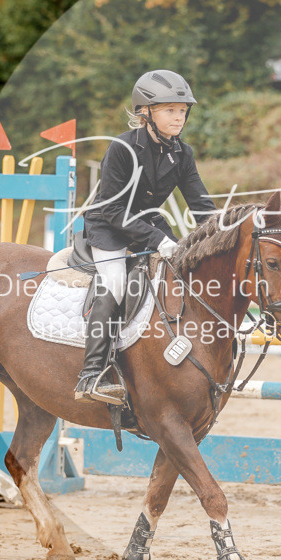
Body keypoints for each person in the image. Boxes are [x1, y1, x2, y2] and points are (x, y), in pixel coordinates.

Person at [76, 69, 216, 403]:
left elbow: (200, 204)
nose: (179, 117)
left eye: (183, 111)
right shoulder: (122, 149)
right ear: (146, 113)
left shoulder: (183, 153)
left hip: (149, 225)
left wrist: (221, 233)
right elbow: (112, 209)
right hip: (108, 227)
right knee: (115, 283)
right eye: (170, 110)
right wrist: (156, 239)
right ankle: (91, 374)